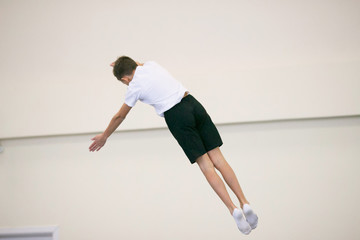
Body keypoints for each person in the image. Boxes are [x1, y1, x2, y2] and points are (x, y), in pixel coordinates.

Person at [89, 56, 258, 234]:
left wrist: (105, 135)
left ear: (125, 79)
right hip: (193, 103)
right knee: (219, 159)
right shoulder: (151, 65)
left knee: (206, 165)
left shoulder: (133, 87)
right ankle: (244, 202)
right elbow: (135, 64)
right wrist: (120, 63)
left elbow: (119, 116)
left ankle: (233, 209)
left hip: (176, 115)